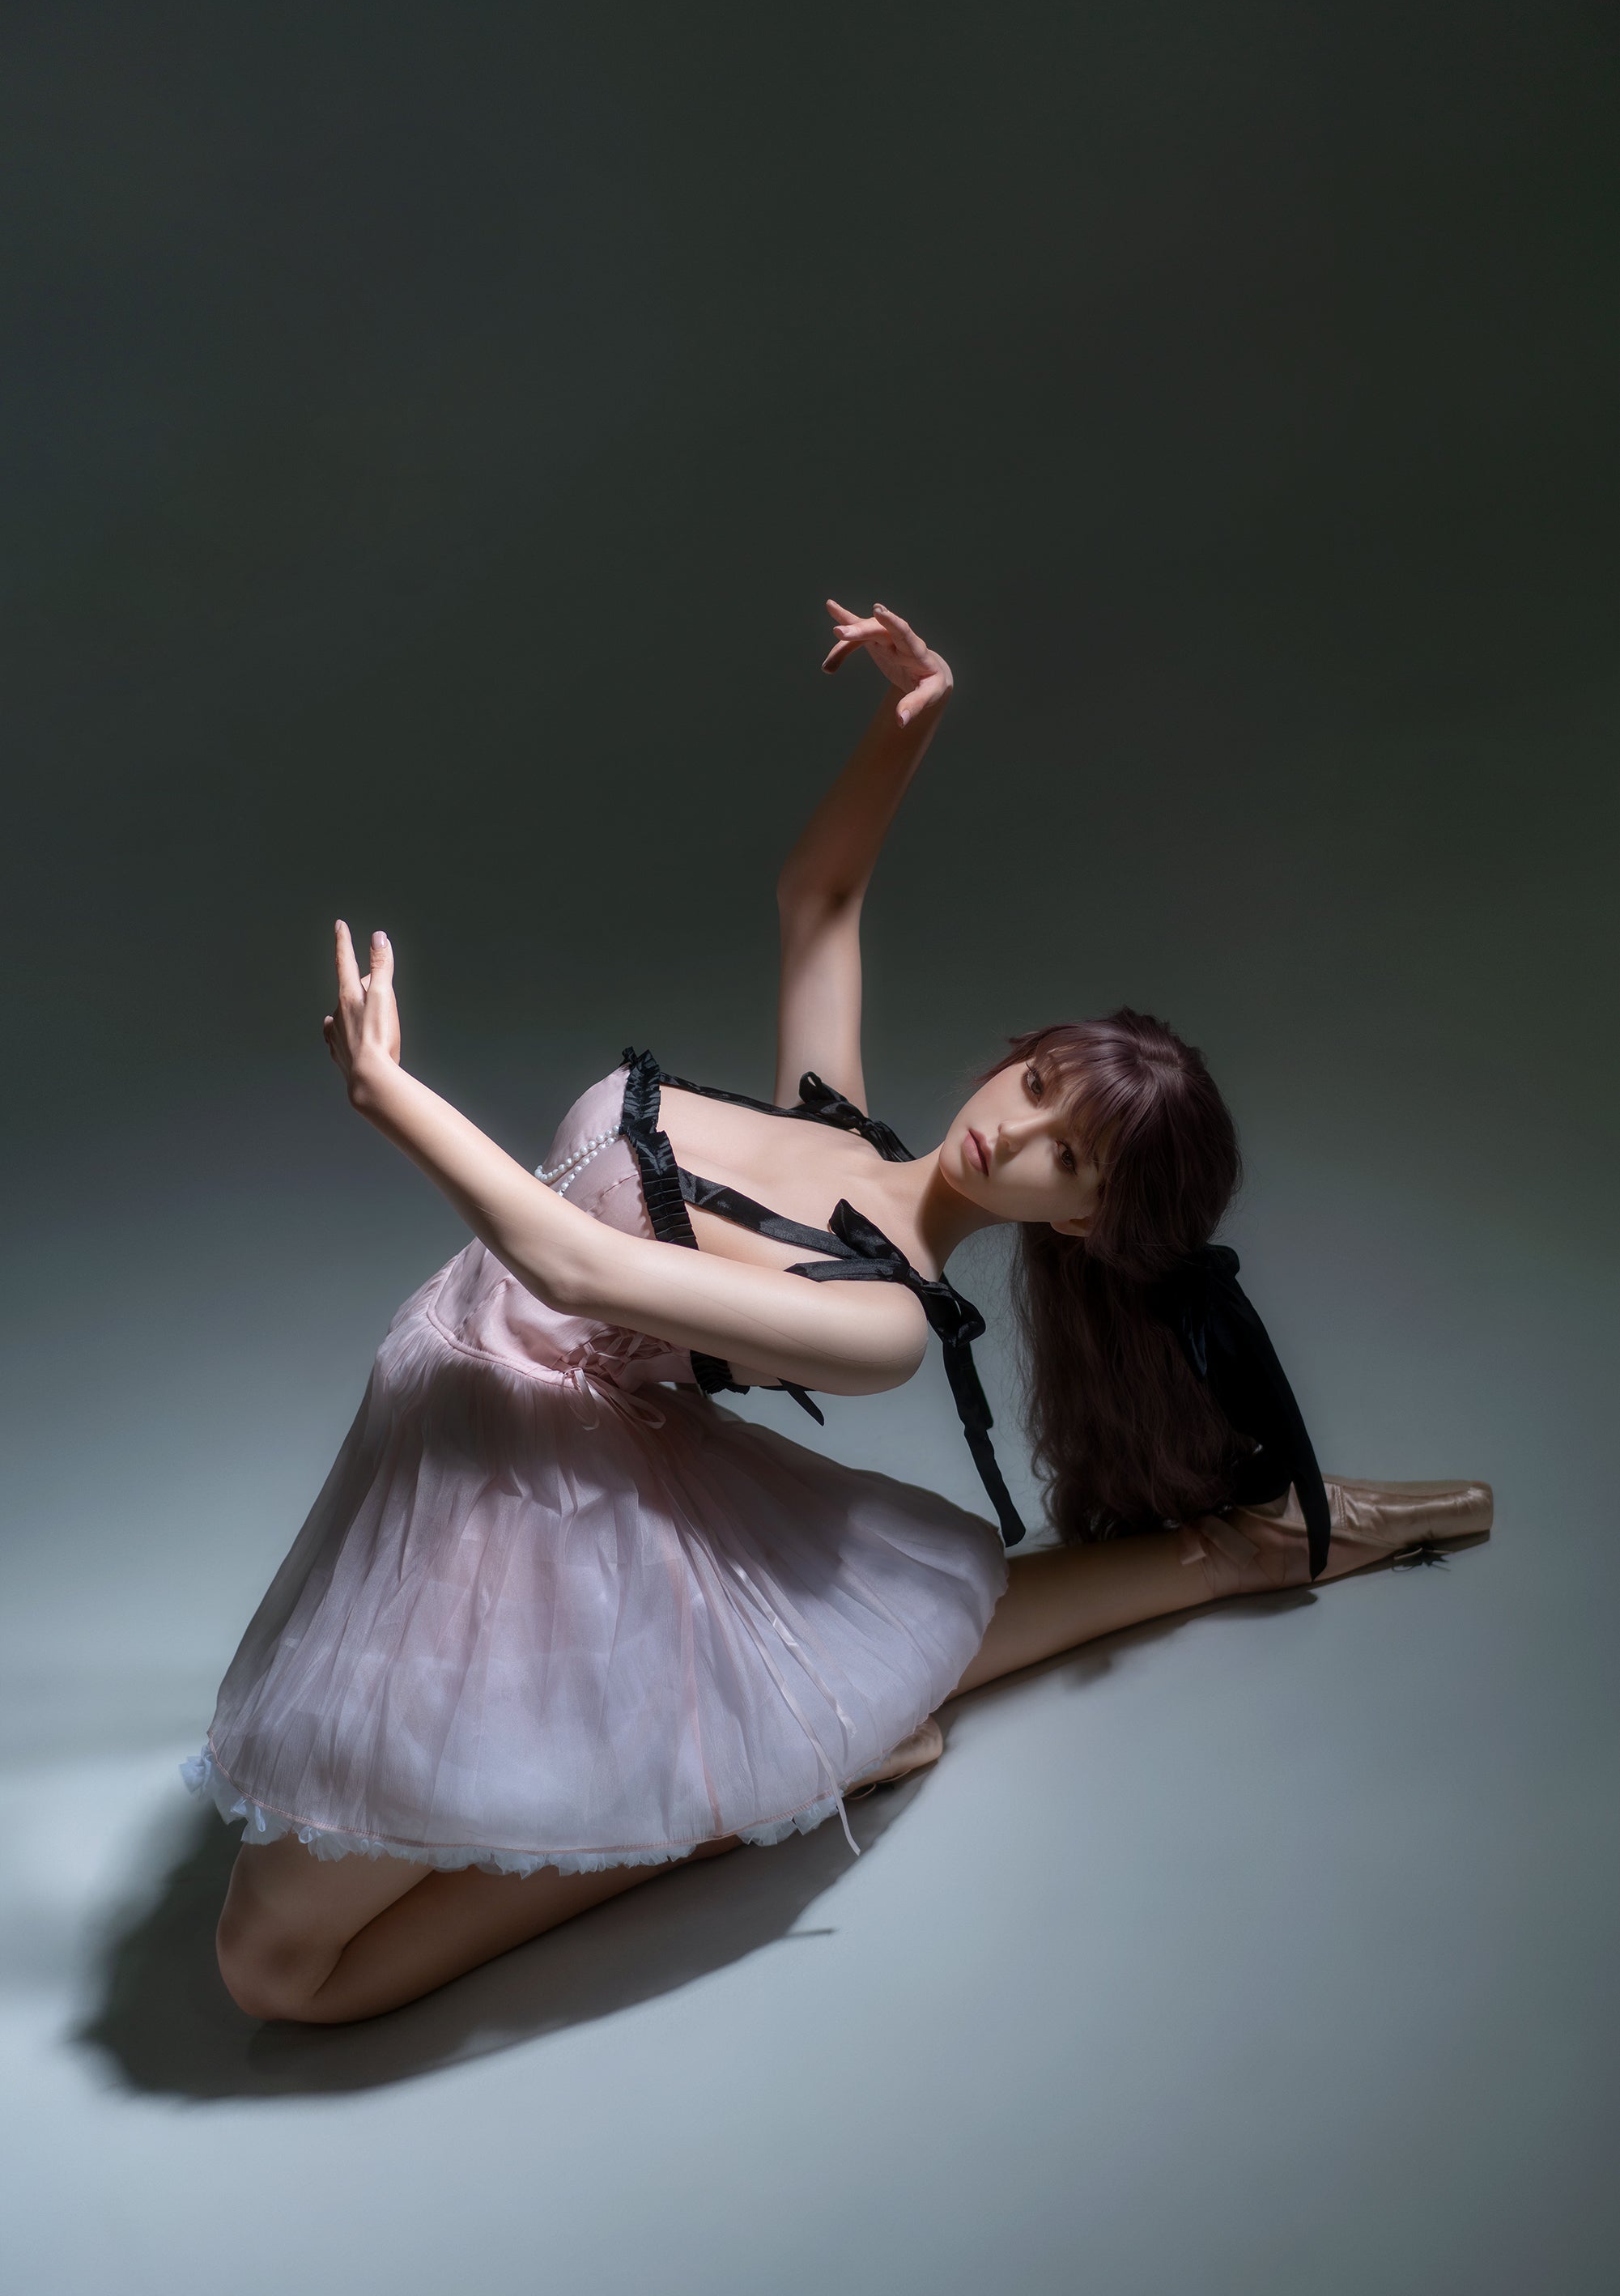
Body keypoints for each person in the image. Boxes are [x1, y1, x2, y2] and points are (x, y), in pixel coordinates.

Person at [192, 601, 1491, 2026]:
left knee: (279, 1974)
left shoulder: (880, 1324)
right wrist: (909, 721)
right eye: (1038, 1086)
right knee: (309, 1912)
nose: (1015, 1131)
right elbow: (818, 899)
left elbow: (574, 1271)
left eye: (1068, 1160)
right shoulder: (833, 1118)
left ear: (1079, 1224)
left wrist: (392, 1098)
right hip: (458, 1426)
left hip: (536, 1502)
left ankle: (754, 1795)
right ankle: (799, 1757)